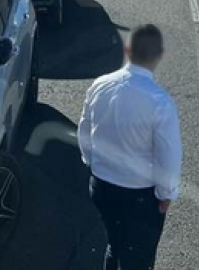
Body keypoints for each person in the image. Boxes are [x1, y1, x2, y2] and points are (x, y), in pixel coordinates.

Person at [78, 24, 182, 270]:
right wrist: (167, 194)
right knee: (138, 259)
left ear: (127, 49)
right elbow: (169, 156)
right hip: (140, 197)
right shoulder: (160, 102)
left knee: (114, 244)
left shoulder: (100, 85)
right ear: (159, 55)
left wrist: (93, 164)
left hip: (102, 187)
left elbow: (84, 133)